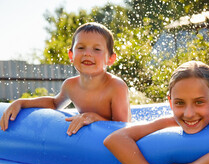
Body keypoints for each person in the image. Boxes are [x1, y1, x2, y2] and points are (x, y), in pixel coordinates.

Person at [0, 22, 131, 135]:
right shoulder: (70, 85)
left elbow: (124, 126)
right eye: (81, 48)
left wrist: (95, 118)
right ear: (71, 55)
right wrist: (21, 103)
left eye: (97, 49)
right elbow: (54, 104)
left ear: (111, 59)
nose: (87, 53)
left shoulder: (116, 87)